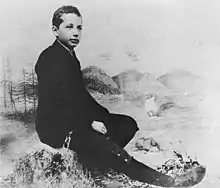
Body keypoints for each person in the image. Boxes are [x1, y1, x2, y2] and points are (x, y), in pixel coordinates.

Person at [34, 5, 205, 187]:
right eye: (69, 27)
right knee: (107, 145)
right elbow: (62, 102)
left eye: (79, 27)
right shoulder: (50, 58)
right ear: (55, 30)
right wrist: (89, 123)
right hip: (57, 128)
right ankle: (170, 182)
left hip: (73, 120)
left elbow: (80, 97)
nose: (76, 32)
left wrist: (103, 117)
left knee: (125, 124)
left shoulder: (69, 56)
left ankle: (96, 166)